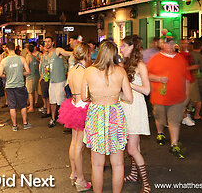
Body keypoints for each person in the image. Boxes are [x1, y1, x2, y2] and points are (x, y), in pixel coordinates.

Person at [81, 40, 133, 193]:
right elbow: (129, 98)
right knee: (118, 164)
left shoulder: (89, 71)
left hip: (96, 115)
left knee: (97, 164)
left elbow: (84, 97)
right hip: (115, 115)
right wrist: (116, 94)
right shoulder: (120, 71)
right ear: (114, 54)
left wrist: (96, 97)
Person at [147, 35, 191, 159]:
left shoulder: (180, 59)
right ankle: (160, 133)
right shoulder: (155, 59)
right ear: (161, 45)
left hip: (177, 97)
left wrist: (187, 94)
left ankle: (174, 144)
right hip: (159, 96)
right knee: (160, 118)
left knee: (174, 121)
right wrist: (159, 79)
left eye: (172, 43)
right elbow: (147, 75)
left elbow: (186, 78)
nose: (170, 45)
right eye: (167, 43)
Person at [57, 43, 92, 191]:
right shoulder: (87, 71)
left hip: (73, 106)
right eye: (90, 54)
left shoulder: (72, 70)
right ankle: (81, 180)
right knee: (79, 146)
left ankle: (73, 173)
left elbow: (66, 89)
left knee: (74, 142)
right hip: (83, 107)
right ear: (86, 55)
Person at [119, 35, 151, 193]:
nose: (121, 49)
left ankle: (146, 183)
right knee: (134, 146)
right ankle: (133, 175)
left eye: (124, 46)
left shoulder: (140, 65)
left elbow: (147, 90)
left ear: (131, 47)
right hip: (126, 107)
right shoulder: (126, 64)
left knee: (131, 149)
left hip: (136, 108)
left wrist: (129, 84)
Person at [0, 41, 31, 131]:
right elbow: (28, 72)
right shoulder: (21, 59)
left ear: (7, 49)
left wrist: (7, 75)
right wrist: (21, 74)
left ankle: (14, 125)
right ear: (15, 48)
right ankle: (25, 123)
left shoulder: (4, 61)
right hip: (20, 85)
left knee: (12, 106)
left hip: (9, 86)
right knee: (23, 105)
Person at [44, 36, 73, 128]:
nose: (47, 43)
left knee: (62, 102)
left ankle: (65, 120)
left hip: (60, 81)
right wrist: (47, 71)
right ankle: (53, 118)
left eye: (49, 41)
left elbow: (68, 53)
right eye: (45, 42)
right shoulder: (47, 55)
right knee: (52, 101)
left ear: (53, 43)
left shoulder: (58, 50)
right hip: (52, 82)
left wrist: (78, 52)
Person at [189, 39, 202, 122]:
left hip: (189, 79)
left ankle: (188, 113)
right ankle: (196, 114)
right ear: (201, 47)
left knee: (190, 97)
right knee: (198, 98)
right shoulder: (200, 57)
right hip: (198, 79)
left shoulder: (189, 55)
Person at [25, 43, 40, 113]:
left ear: (27, 49)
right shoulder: (34, 56)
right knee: (35, 90)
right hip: (36, 76)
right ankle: (34, 103)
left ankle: (31, 107)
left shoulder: (28, 57)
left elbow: (26, 66)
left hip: (30, 76)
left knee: (30, 92)